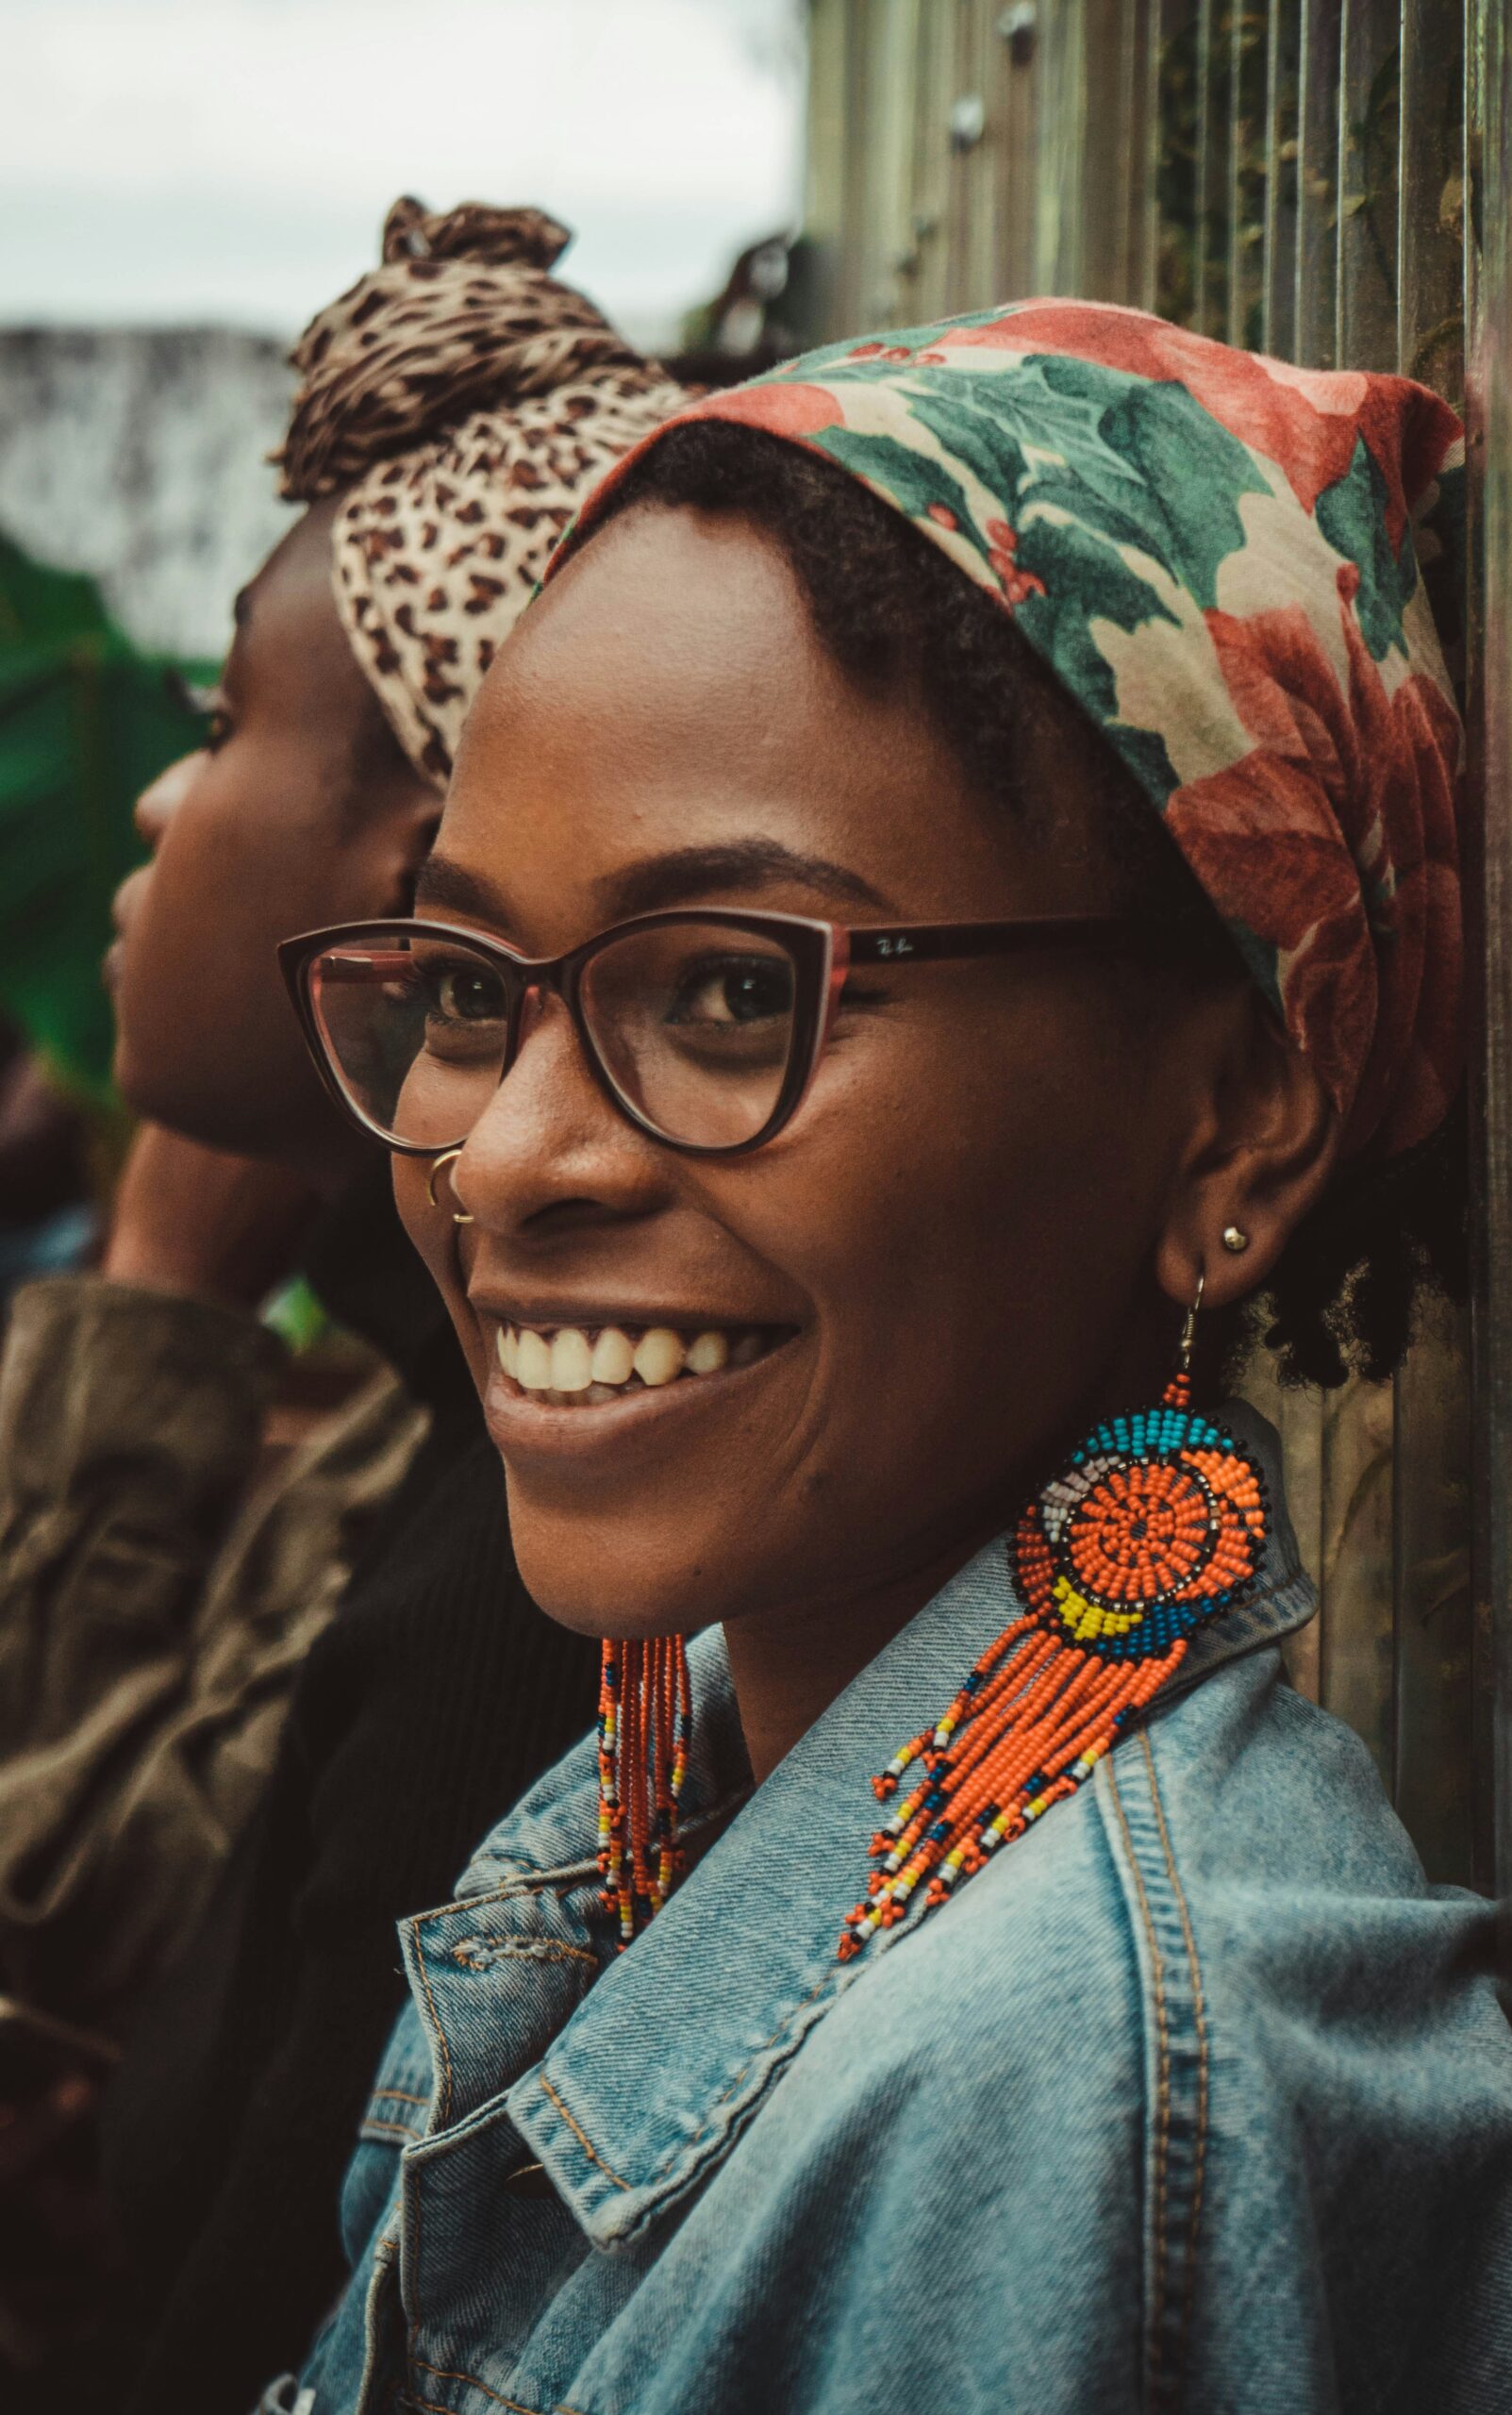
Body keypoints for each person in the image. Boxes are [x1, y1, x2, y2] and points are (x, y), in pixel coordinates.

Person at [281, 303, 1512, 2414]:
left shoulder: (1068, 2095)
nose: (500, 1155)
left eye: (720, 992)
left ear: (1233, 1107)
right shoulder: (705, 1763)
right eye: (464, 984)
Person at [4, 198, 688, 2407]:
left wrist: (159, 1305)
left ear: (422, 892)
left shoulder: (549, 1542)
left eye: (221, 717)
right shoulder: (434, 1410)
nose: (157, 787)